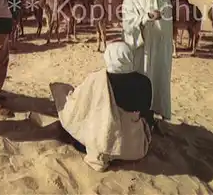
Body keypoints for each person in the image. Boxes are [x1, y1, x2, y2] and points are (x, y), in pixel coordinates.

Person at [49, 41, 153, 172]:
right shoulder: (144, 81)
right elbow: (145, 110)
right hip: (134, 148)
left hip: (103, 143)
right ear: (129, 56)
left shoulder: (97, 79)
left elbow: (80, 105)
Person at [121, 0, 173, 122]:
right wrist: (145, 18)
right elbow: (127, 23)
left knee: (155, 81)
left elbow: (168, 23)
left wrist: (161, 17)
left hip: (157, 50)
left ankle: (150, 117)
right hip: (138, 49)